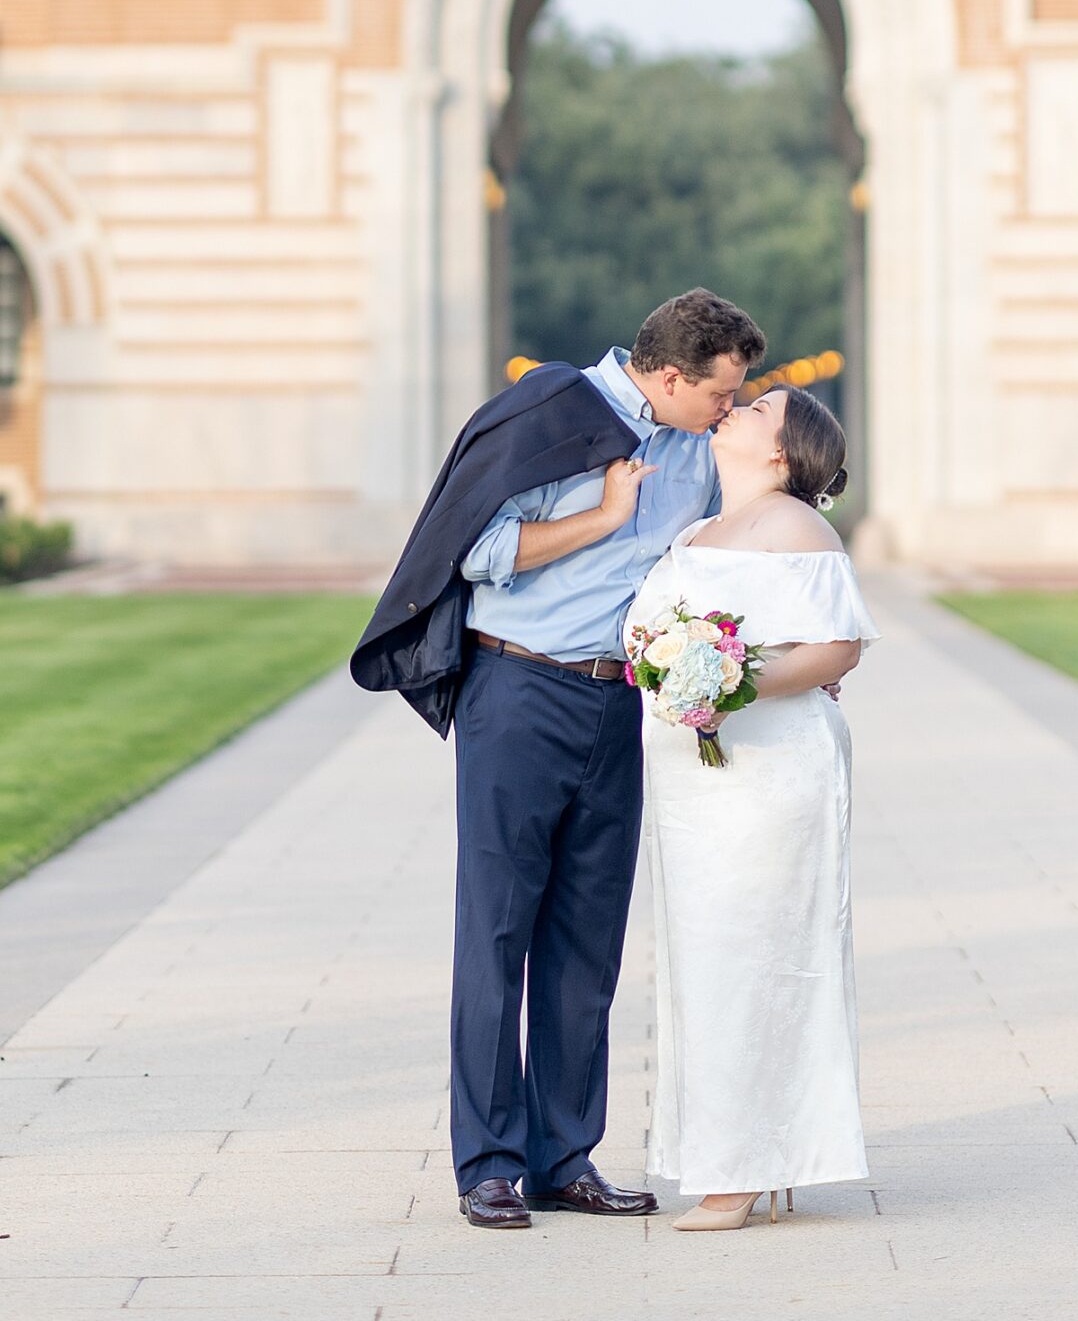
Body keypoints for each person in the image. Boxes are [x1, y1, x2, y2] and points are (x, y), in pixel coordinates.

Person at [350, 288, 766, 1231]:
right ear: (669, 376)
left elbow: (713, 561)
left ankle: (564, 1156)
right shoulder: (552, 413)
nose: (728, 410)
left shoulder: (695, 451)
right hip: (518, 691)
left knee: (587, 941)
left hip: (620, 700)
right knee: (497, 931)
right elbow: (473, 550)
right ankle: (488, 1164)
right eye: (720, 393)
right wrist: (602, 515)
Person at [628, 383, 877, 1232]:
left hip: (768, 771)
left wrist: (726, 682)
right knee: (702, 960)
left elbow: (837, 645)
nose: (732, 408)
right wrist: (668, 670)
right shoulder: (698, 528)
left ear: (782, 451)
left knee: (754, 954)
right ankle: (736, 1157)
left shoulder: (796, 525)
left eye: (757, 408)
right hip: (693, 776)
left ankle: (742, 1172)